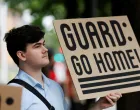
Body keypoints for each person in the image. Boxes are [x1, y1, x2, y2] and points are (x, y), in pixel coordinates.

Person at [4, 25, 122, 110]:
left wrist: (99, 105)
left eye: (43, 44)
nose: (45, 50)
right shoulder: (10, 92)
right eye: (37, 46)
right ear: (21, 55)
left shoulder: (55, 87)